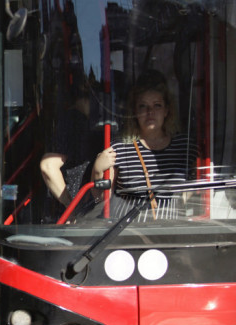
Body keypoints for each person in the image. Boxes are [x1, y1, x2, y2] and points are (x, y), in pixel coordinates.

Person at [93, 69, 198, 221]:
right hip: (125, 233)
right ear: (135, 111)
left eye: (157, 105)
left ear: (167, 110)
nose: (150, 112)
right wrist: (97, 170)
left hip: (172, 233)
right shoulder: (119, 148)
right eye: (143, 106)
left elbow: (199, 190)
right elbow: (102, 200)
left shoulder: (185, 146)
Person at [40, 83, 102, 218]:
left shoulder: (72, 120)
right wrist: (71, 207)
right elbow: (48, 165)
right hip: (72, 213)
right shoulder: (75, 122)